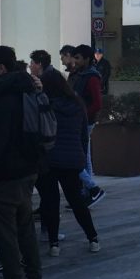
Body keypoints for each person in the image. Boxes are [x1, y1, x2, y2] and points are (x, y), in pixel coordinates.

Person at [0, 46, 44, 279]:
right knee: (25, 229)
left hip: (5, 174)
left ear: (1, 68)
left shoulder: (1, 96)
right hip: (29, 169)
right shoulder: (29, 88)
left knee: (6, 234)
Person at [38, 67, 101, 248]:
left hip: (50, 158)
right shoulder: (77, 103)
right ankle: (93, 238)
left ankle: (54, 243)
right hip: (72, 159)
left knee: (50, 201)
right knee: (76, 200)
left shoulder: (46, 104)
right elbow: (83, 135)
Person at [68, 44, 105, 206]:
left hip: (85, 122)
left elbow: (97, 103)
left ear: (87, 59)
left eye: (77, 58)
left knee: (81, 156)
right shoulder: (80, 74)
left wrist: (82, 115)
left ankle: (91, 190)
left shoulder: (91, 77)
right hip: (80, 120)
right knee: (83, 155)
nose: (74, 61)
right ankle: (87, 191)